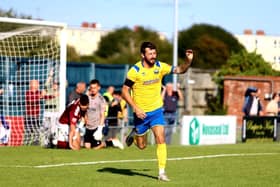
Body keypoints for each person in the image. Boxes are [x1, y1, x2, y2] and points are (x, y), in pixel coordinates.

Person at [122, 41, 193, 181]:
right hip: (141, 114)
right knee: (142, 146)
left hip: (156, 111)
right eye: (150, 54)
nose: (153, 56)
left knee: (161, 138)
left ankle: (161, 172)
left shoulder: (160, 66)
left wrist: (188, 61)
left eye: (155, 53)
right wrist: (135, 108)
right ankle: (136, 134)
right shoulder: (134, 71)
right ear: (143, 55)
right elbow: (124, 91)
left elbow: (180, 69)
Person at [85, 79, 123, 149]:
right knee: (87, 147)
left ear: (98, 88)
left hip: (96, 125)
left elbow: (102, 115)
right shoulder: (87, 97)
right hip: (88, 125)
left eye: (95, 88)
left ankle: (112, 142)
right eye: (91, 88)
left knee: (95, 148)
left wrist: (100, 128)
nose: (93, 90)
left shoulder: (101, 99)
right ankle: (110, 142)